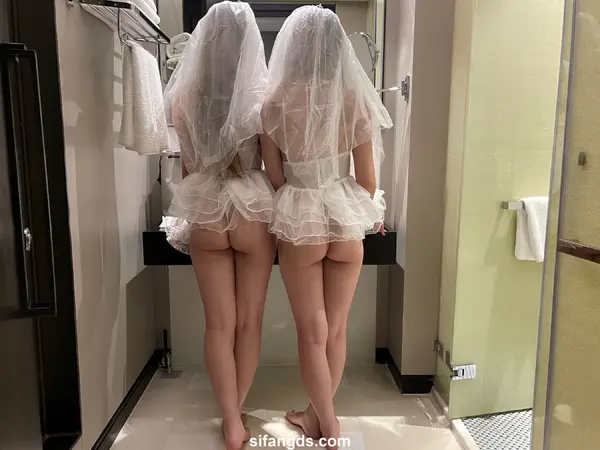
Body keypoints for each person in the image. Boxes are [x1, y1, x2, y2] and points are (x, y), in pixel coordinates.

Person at [260, 6, 393, 449]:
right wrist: (349, 203)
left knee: (311, 333)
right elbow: (368, 180)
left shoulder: (274, 103)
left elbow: (275, 179)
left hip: (302, 218)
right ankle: (315, 417)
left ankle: (328, 425)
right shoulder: (353, 98)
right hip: (344, 219)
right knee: (336, 330)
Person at [163, 3, 275, 449]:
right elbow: (273, 166)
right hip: (252, 209)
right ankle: (236, 415)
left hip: (206, 208)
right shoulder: (261, 100)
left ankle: (230, 420)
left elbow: (188, 170)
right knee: (249, 323)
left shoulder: (184, 99)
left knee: (217, 326)